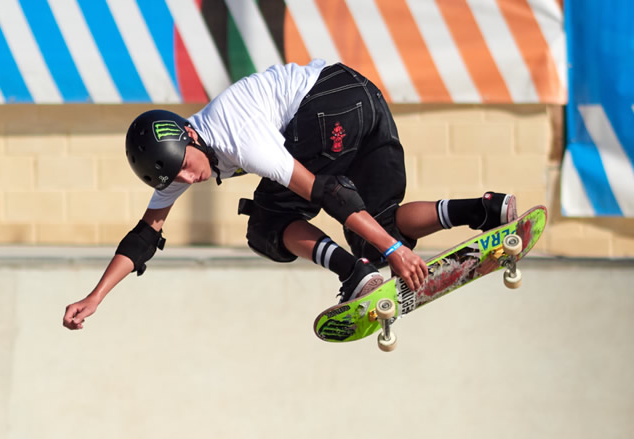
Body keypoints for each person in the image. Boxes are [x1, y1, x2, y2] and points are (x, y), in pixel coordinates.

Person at [63, 60, 516, 330]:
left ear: (189, 135)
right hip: (362, 98)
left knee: (267, 226)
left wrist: (393, 253)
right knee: (382, 223)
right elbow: (144, 236)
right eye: (175, 178)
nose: (189, 177)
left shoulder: (238, 135)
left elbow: (322, 191)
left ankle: (353, 273)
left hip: (328, 104)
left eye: (185, 164)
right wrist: (96, 296)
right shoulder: (185, 160)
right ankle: (486, 209)